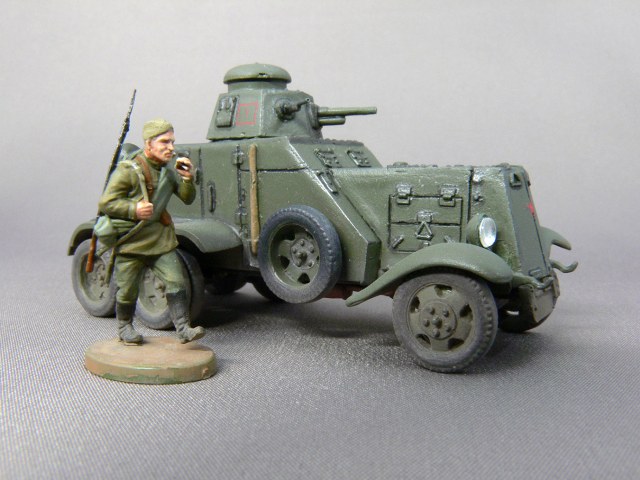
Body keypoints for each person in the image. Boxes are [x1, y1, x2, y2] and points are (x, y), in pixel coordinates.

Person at [99, 119, 204, 345]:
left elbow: (187, 198)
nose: (171, 148)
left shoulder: (168, 171)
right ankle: (125, 327)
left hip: (160, 240)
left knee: (177, 282)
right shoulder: (128, 171)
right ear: (149, 144)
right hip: (132, 241)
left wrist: (187, 179)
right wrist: (133, 209)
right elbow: (106, 203)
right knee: (127, 289)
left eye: (172, 142)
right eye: (164, 142)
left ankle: (183, 328)